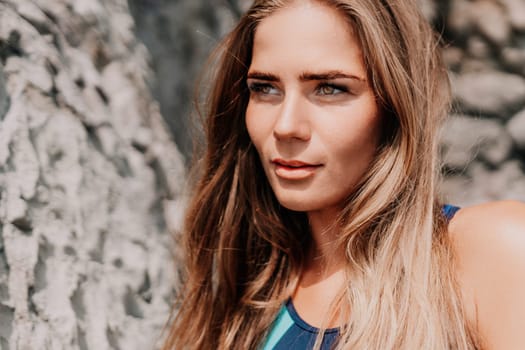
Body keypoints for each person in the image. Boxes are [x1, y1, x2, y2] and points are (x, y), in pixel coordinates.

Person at [162, 0, 525, 349]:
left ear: (394, 106)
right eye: (265, 88)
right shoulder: (244, 300)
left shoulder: (492, 250)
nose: (286, 126)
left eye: (330, 89)